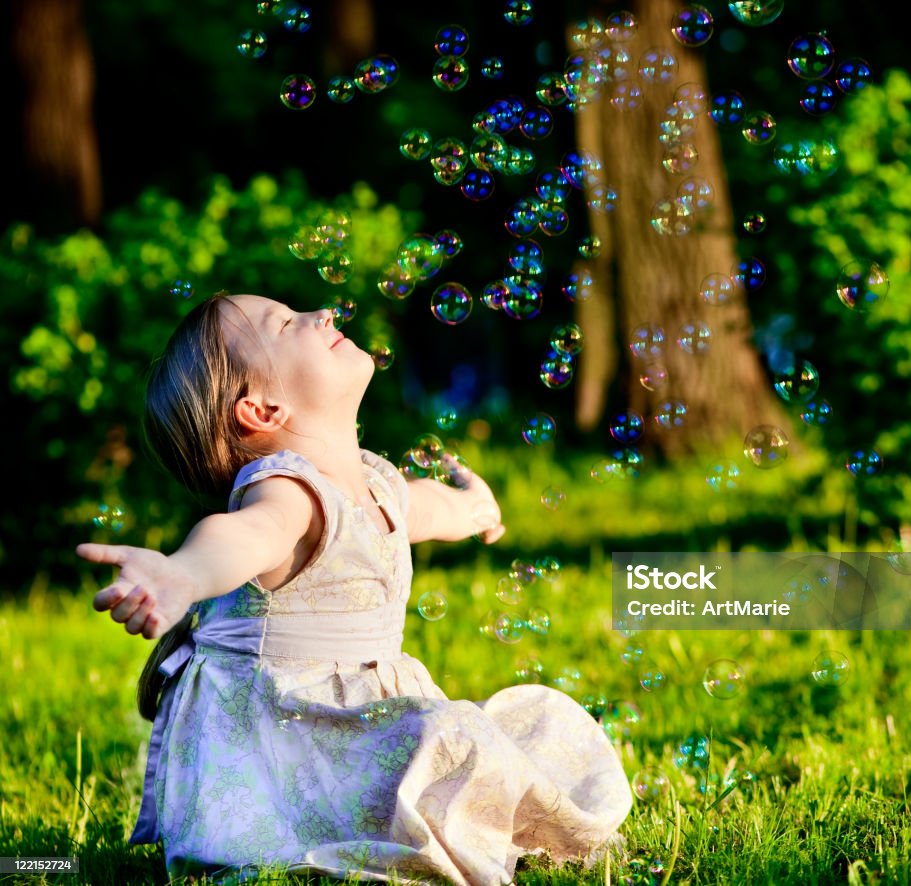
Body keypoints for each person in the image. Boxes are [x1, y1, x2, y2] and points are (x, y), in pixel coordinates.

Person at [77, 292, 633, 885]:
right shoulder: (285, 492)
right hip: (291, 750)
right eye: (289, 323)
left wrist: (472, 507)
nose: (322, 314)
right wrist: (183, 573)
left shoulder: (375, 483)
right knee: (455, 738)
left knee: (477, 739)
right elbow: (243, 536)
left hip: (362, 726)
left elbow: (423, 505)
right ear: (261, 410)